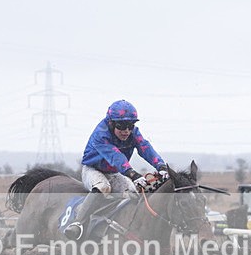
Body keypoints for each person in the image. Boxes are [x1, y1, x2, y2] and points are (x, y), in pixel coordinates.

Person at [63, 99, 170, 240]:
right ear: (111, 123)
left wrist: (161, 166)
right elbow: (115, 157)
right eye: (122, 126)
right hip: (92, 170)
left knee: (133, 193)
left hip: (114, 173)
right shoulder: (100, 135)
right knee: (103, 187)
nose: (126, 131)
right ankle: (78, 223)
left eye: (130, 126)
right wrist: (133, 174)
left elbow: (145, 148)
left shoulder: (133, 133)